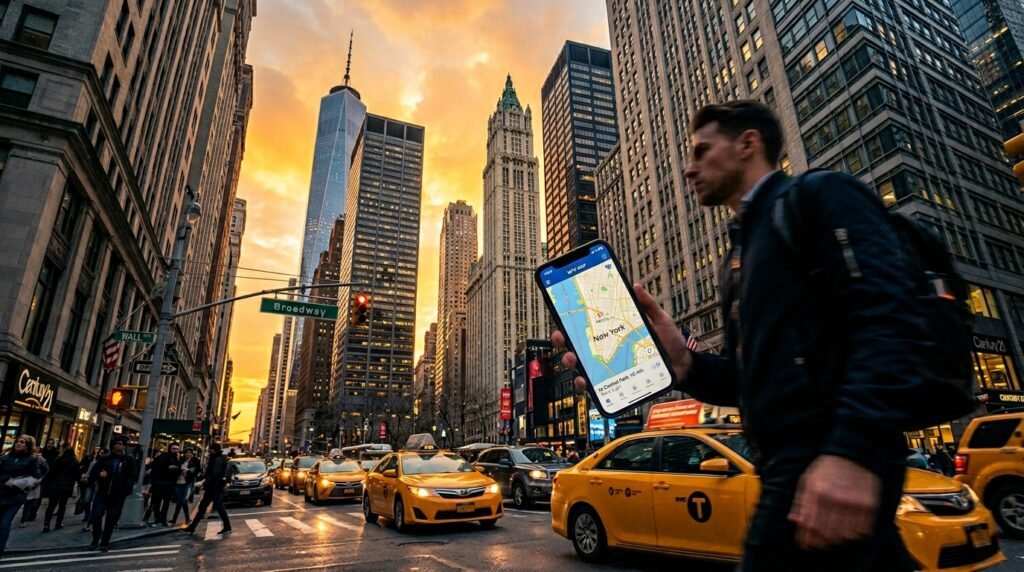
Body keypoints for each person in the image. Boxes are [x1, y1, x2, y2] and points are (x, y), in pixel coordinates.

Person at [554, 101, 928, 571]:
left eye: (702, 151)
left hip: (826, 456)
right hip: (786, 465)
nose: (689, 169)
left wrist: (851, 452)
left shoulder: (819, 198)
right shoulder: (738, 256)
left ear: (748, 144)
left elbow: (889, 317)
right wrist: (685, 364)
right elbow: (748, 383)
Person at [88, 437, 137, 551]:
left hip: (117, 494)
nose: (117, 446)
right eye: (115, 444)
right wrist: (100, 475)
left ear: (124, 446)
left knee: (111, 518)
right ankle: (96, 538)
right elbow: (94, 472)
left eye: (120, 444)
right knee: (96, 515)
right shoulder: (105, 459)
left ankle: (105, 542)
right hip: (102, 492)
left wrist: (125, 489)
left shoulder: (128, 460)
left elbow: (133, 476)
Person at [0, 436, 42, 558]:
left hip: (15, 497)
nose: (18, 444)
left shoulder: (31, 460)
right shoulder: (5, 457)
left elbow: (36, 477)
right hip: (1, 492)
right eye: (17, 442)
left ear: (28, 446)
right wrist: (5, 480)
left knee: (4, 523)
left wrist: (16, 483)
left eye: (22, 442)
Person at [182, 443, 231, 535]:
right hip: (213, 487)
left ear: (214, 449)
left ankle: (193, 527)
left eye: (211, 449)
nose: (209, 451)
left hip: (214, 487)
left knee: (215, 508)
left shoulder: (217, 460)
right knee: (204, 507)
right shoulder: (216, 458)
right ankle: (192, 527)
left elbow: (214, 474)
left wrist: (203, 483)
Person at [42, 447, 80, 531]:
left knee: (51, 505)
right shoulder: (75, 462)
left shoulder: (58, 460)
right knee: (62, 506)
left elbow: (51, 473)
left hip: (55, 485)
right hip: (66, 486)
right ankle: (58, 523)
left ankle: (46, 523)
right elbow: (77, 476)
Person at [148, 443, 180, 526]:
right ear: (170, 449)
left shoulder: (176, 458)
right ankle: (158, 518)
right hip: (160, 483)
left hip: (169, 484)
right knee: (157, 502)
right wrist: (168, 467)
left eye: (177, 449)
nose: (175, 451)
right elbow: (156, 466)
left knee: (166, 503)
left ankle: (162, 519)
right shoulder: (163, 456)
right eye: (174, 449)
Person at [18, 446, 48, 528]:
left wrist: (40, 479)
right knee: (21, 501)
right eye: (34, 451)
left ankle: (24, 519)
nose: (35, 453)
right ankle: (24, 519)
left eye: (37, 452)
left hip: (34, 484)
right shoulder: (26, 458)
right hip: (24, 482)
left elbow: (46, 470)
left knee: (29, 502)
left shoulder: (41, 460)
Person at [170, 448, 199, 526]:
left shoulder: (195, 461)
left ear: (192, 454)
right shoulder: (180, 460)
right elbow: (176, 469)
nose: (188, 454)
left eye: (190, 452)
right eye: (187, 452)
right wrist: (180, 470)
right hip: (178, 482)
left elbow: (197, 471)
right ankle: (175, 519)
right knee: (179, 501)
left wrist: (188, 471)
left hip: (188, 483)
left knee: (183, 500)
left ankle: (186, 518)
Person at [79, 447, 106, 531]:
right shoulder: (94, 461)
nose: (100, 454)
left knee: (94, 505)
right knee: (87, 501)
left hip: (99, 486)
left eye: (102, 453)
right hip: (91, 484)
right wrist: (85, 476)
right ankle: (87, 515)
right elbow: (89, 470)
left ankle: (89, 524)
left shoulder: (106, 462)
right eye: (100, 452)